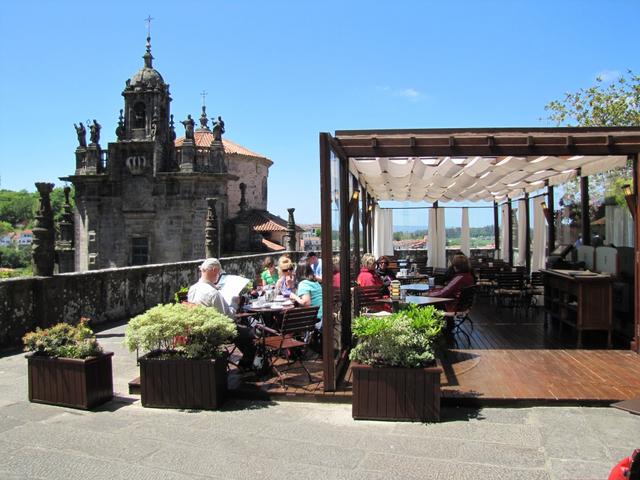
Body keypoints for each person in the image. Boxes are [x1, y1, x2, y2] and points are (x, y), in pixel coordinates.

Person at [187, 258, 256, 371]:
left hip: (198, 329)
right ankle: (246, 366)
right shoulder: (213, 293)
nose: (218, 276)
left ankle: (244, 365)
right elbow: (228, 318)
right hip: (216, 330)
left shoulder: (193, 289)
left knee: (241, 331)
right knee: (249, 334)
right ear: (214, 270)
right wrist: (234, 303)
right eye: (218, 273)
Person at [290, 260, 323, 329]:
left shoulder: (303, 284)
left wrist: (294, 296)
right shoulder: (315, 282)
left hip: (314, 318)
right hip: (323, 315)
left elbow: (306, 303)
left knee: (289, 319)